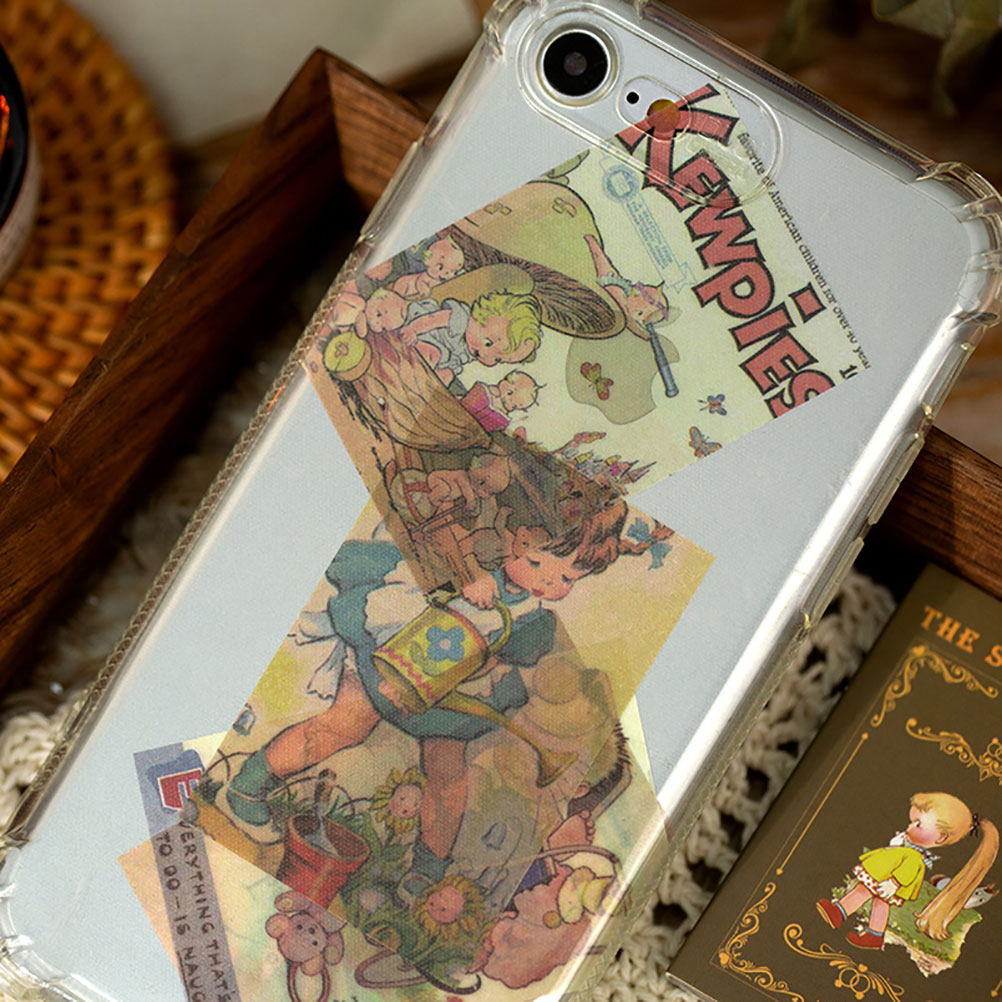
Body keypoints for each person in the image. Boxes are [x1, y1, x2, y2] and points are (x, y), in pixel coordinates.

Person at [226, 501, 637, 889]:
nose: (548, 582)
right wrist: (468, 578)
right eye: (535, 563)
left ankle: (427, 870)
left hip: (448, 691)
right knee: (344, 726)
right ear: (512, 538)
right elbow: (430, 558)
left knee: (447, 771)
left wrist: (478, 667)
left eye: (567, 579)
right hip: (389, 650)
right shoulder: (466, 554)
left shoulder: (532, 618)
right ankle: (248, 786)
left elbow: (502, 658)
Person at [816, 792, 999, 948]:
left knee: (865, 891)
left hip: (889, 882)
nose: (910, 827)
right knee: (879, 902)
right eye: (912, 822)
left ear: (941, 837)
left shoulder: (915, 857)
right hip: (886, 878)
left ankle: (839, 912)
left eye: (918, 824)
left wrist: (893, 883)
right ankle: (874, 935)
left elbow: (907, 873)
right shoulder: (910, 849)